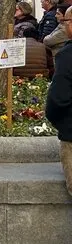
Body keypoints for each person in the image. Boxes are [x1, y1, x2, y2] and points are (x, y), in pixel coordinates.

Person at [46, 19, 72, 196]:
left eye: (66, 21)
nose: (63, 25)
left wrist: (56, 119)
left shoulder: (67, 55)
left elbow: (59, 96)